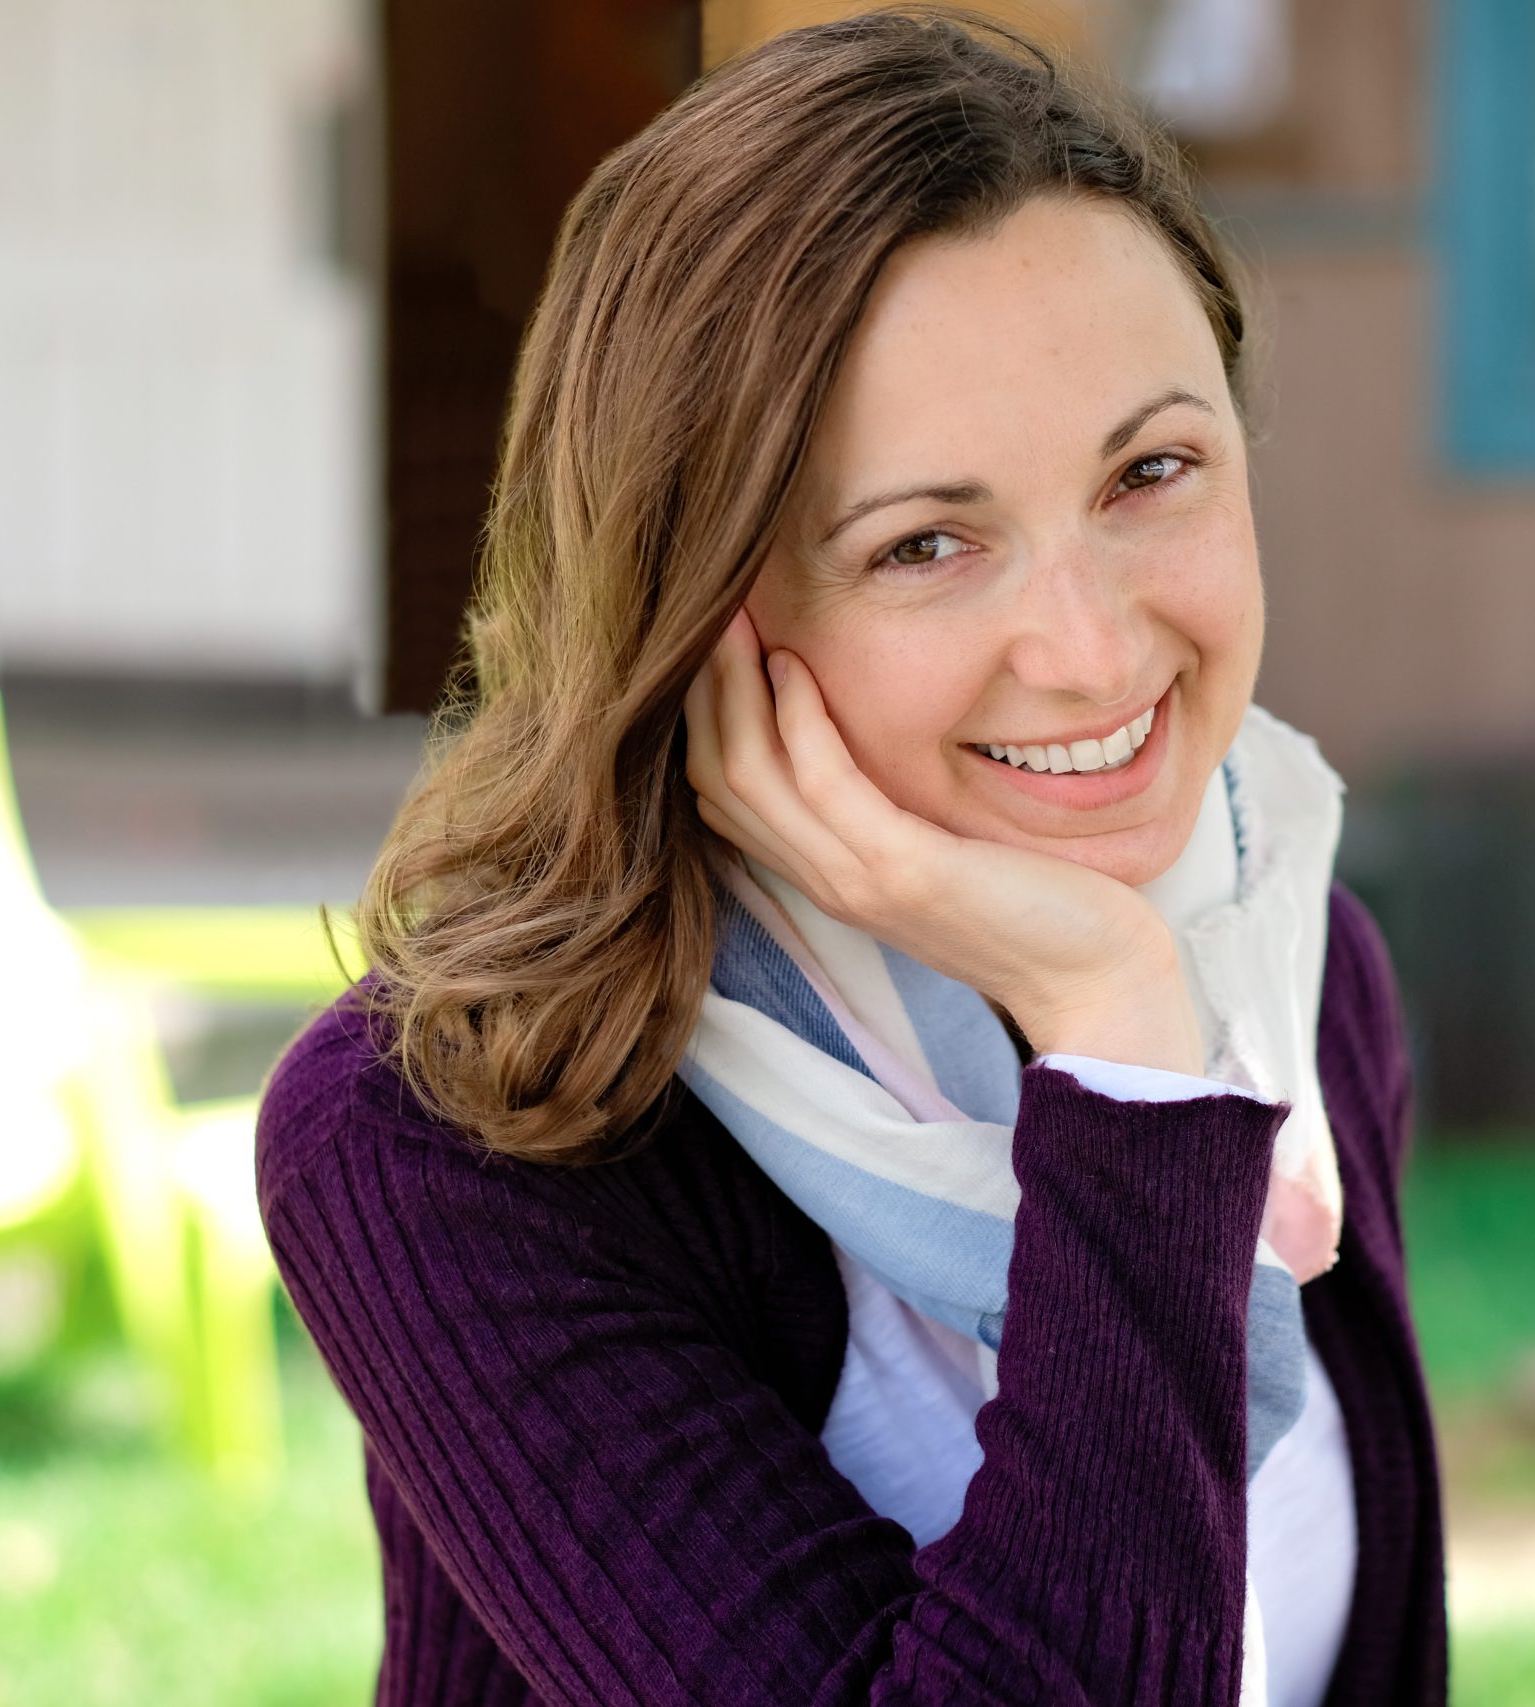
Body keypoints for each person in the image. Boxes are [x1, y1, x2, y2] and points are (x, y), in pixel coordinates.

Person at [255, 9, 1446, 1702]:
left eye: (1152, 471)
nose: (1096, 654)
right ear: (701, 605)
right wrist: (1119, 1043)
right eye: (928, 543)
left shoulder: (1292, 970)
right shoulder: (449, 1145)